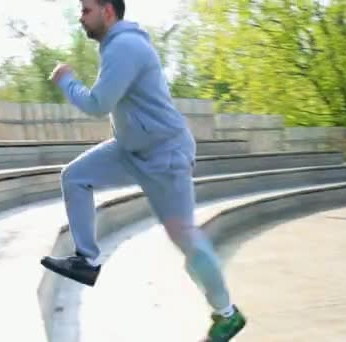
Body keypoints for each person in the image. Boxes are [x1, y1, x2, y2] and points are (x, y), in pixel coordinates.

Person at [40, 0, 246, 340]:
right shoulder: (115, 46)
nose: (81, 17)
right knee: (75, 177)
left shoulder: (126, 46)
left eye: (86, 10)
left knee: (186, 238)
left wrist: (67, 81)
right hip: (131, 149)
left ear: (108, 11)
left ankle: (227, 314)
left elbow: (97, 104)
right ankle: (87, 260)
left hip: (165, 155)